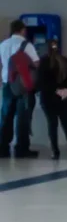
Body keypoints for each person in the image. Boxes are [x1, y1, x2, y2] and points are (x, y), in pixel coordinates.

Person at [0, 19, 40, 159]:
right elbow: (36, 64)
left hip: (6, 84)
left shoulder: (3, 45)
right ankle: (21, 149)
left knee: (5, 117)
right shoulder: (27, 45)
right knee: (22, 118)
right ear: (22, 30)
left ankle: (3, 148)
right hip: (23, 86)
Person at [37, 38, 67, 160]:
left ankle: (55, 151)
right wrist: (66, 89)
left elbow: (41, 82)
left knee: (52, 124)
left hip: (49, 98)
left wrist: (55, 90)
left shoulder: (43, 62)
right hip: (66, 97)